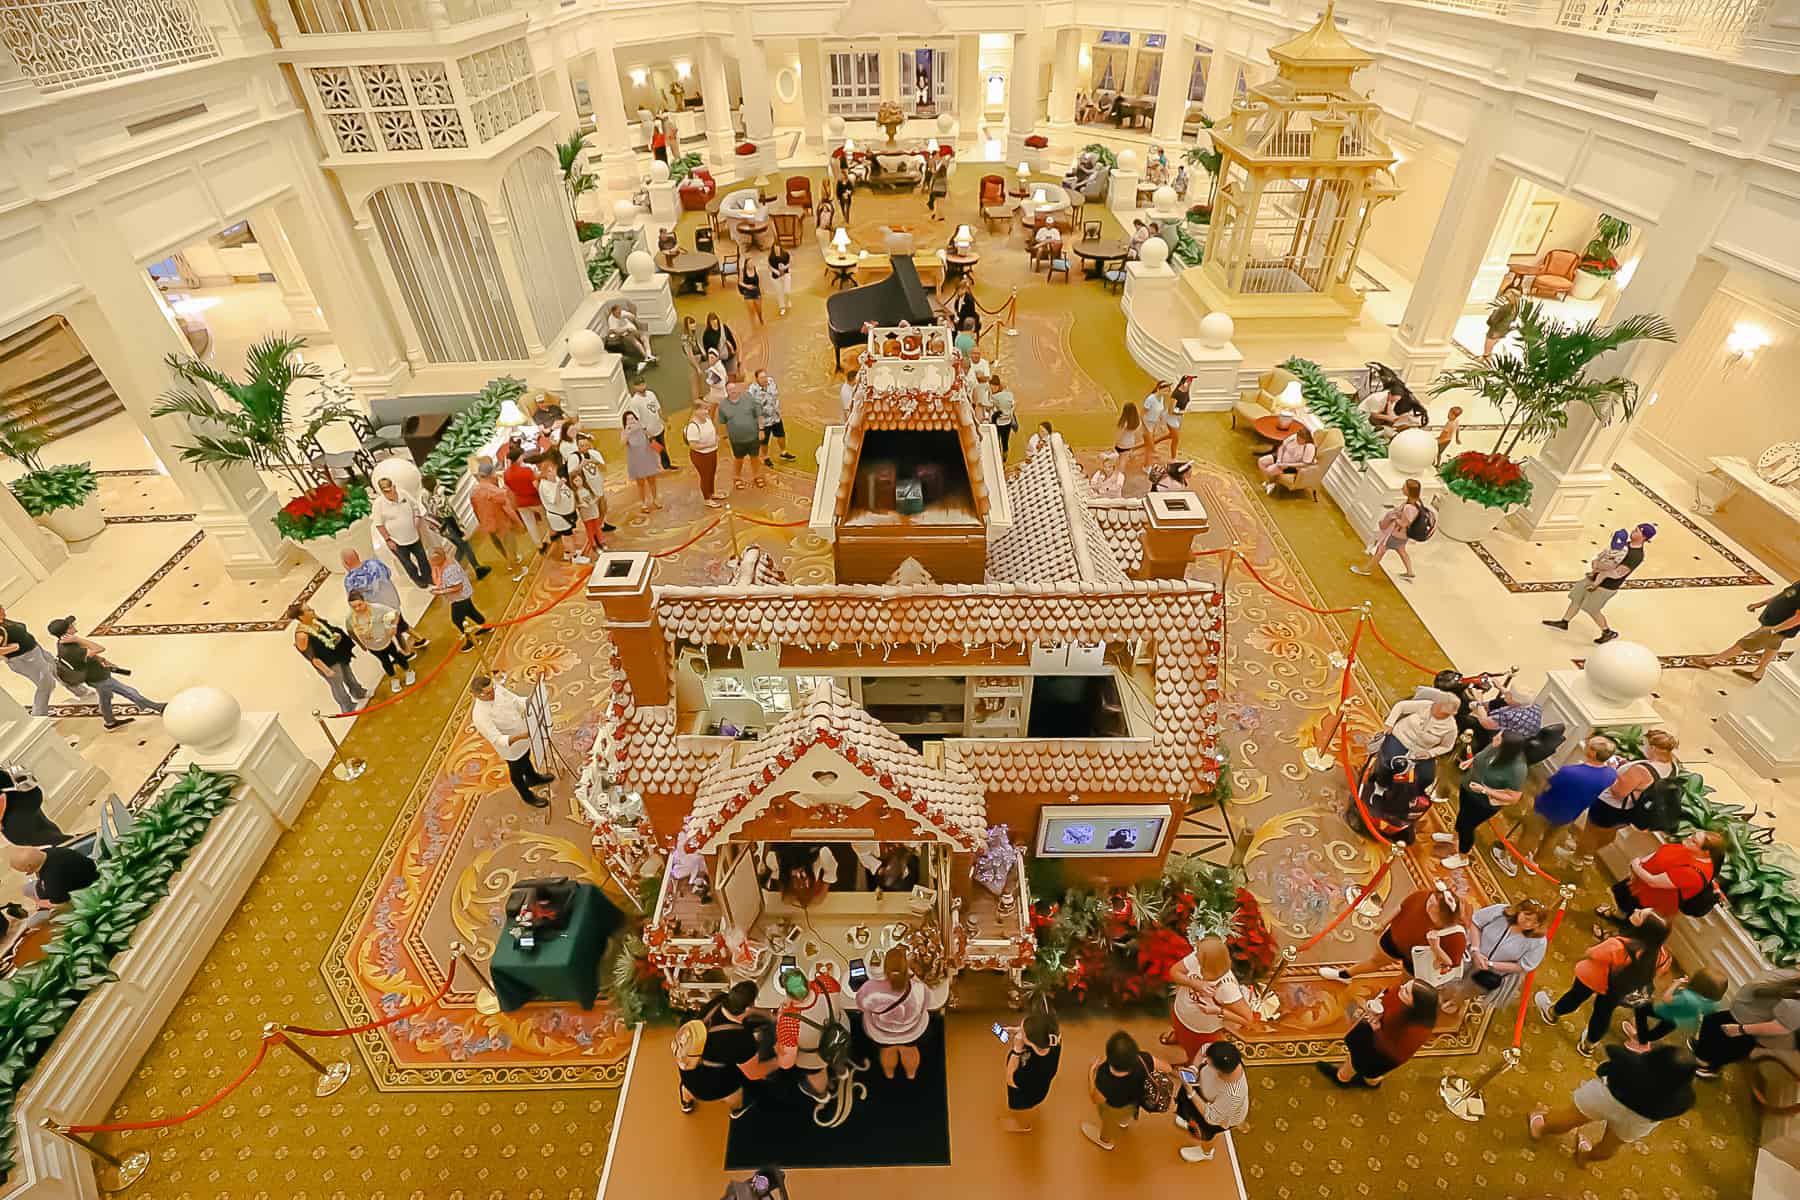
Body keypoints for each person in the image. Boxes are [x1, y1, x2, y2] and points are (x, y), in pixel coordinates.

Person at [1530, 1041, 1697, 1163]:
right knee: (1610, 1147)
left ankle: (1540, 1127)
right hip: (1640, 1121)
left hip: (1606, 1098)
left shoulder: (1632, 1064)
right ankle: (1586, 1156)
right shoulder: (1685, 1099)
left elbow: (1611, 1053)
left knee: (1571, 1118)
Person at [1536, 908, 1670, 1057]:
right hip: (1618, 990)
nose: (1636, 909)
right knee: (1603, 1014)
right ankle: (1588, 1045)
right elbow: (1658, 972)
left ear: (1643, 929)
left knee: (1575, 997)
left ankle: (1552, 1013)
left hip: (1592, 978)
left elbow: (1592, 953)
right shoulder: (1662, 956)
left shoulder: (1617, 945)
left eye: (1640, 914)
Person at [1496, 734, 1617, 878]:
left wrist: (1537, 796)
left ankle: (1512, 862)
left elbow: (1547, 785)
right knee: (1551, 838)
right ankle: (1534, 863)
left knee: (1530, 834)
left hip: (1547, 807)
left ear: (1592, 752)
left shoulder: (1570, 771)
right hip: (1571, 813)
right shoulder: (1611, 774)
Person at [1320, 879, 1470, 984]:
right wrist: (1383, 923)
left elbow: (1451, 963)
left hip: (1417, 962)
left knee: (1406, 985)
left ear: (1443, 913)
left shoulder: (1455, 935)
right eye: (1431, 898)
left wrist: (1435, 947)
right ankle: (1344, 975)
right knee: (1374, 961)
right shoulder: (1424, 896)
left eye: (1433, 904)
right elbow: (1401, 907)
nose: (1428, 901)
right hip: (1394, 939)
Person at [1576, 727, 1681, 872]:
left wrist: (1612, 770)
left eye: (1644, 744)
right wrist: (1626, 766)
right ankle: (1588, 856)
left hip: (1609, 807)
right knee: (1608, 834)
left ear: (1652, 747)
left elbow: (1618, 792)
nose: (1642, 747)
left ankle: (1577, 859)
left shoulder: (1641, 770)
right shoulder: (1672, 766)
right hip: (1629, 812)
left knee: (1591, 833)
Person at [1542, 523, 1656, 645]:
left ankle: (1607, 632)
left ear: (1644, 537)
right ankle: (1564, 622)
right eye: (1635, 529)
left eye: (1637, 531)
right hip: (1594, 576)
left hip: (1605, 586)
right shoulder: (1626, 545)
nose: (1633, 531)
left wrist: (1600, 570)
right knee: (1577, 598)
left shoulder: (1636, 555)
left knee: (1592, 609)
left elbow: (1618, 573)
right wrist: (1597, 562)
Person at [1319, 978, 1439, 1087]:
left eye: (1406, 992)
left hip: (1379, 1051)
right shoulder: (1405, 998)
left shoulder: (1417, 1031)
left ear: (1416, 1005)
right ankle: (1372, 1082)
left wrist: (1377, 1029)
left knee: (1354, 1061)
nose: (1401, 988)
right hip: (1377, 1034)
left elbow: (1394, 1052)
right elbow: (1387, 994)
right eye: (1405, 985)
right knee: (1370, 1072)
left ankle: (1342, 1079)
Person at [47, 616, 163, 729]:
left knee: (105, 698)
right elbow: (99, 648)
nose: (74, 627)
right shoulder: (70, 650)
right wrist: (78, 639)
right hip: (98, 678)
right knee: (130, 692)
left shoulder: (63, 644)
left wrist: (101, 660)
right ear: (66, 632)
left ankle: (110, 722)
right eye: (71, 626)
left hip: (95, 675)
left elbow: (89, 654)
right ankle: (158, 707)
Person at [675, 980, 770, 1118]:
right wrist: (776, 1063)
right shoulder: (741, 1040)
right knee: (735, 1093)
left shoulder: (718, 1001)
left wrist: (766, 1015)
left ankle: (686, 1102)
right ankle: (737, 1110)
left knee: (689, 1087)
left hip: (687, 1069)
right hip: (712, 1086)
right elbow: (754, 1073)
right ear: (748, 1008)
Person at [1598, 828, 1726, 924]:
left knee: (1631, 916)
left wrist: (1636, 866)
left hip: (1651, 897)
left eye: (1694, 841)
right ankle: (1616, 915)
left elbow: (1653, 881)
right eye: (1692, 835)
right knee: (1622, 903)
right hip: (1640, 883)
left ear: (1706, 852)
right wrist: (1641, 864)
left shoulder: (1692, 873)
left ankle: (1614, 930)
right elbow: (1662, 851)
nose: (1688, 837)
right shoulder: (1689, 849)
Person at [1164, 934, 1256, 1064]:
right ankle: (1179, 1036)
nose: (1195, 954)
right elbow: (1174, 972)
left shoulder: (1227, 988)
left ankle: (1189, 1064)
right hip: (1181, 1011)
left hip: (1200, 1030)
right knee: (1179, 1028)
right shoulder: (1198, 957)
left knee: (1195, 1053)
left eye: (1199, 954)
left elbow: (1248, 1019)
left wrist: (1217, 1010)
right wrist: (1196, 984)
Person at [1440, 732, 1527, 870]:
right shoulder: (1494, 746)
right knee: (1462, 815)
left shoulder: (1518, 769)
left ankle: (1463, 857)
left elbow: (1514, 797)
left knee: (1467, 827)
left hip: (1484, 803)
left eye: (1498, 738)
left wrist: (1485, 790)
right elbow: (1481, 756)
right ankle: (1454, 837)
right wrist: (1470, 761)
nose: (1494, 737)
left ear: (1506, 747)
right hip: (1468, 787)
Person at [1690, 970, 1800, 1078]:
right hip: (1747, 1015)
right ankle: (1703, 1050)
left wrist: (1741, 1029)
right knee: (1712, 1024)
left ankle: (1709, 1065)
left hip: (1753, 1028)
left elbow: (1780, 1027)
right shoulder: (1793, 978)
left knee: (1728, 1044)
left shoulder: (1796, 1005)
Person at [1445, 899, 1549, 1014]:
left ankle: (1457, 1000)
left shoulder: (1539, 941)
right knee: (1451, 974)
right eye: (1527, 918)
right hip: (1471, 951)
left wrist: (1490, 964)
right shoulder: (1499, 911)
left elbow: (1523, 966)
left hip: (1492, 971)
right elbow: (1476, 923)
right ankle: (1443, 990)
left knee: (1470, 989)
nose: (1528, 925)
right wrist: (1476, 950)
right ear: (1519, 911)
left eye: (1535, 923)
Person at [469, 674, 550, 807]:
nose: (494, 693)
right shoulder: (479, 715)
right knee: (516, 770)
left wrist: (532, 702)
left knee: (525, 757)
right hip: (511, 747)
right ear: (478, 695)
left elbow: (515, 700)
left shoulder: (496, 689)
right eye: (489, 693)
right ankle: (527, 796)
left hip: (522, 731)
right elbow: (497, 739)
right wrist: (522, 736)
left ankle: (533, 778)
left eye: (493, 689)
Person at [1081, 1029, 1170, 1151]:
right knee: (1127, 1114)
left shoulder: (1104, 1078)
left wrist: (1091, 1075)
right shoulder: (1143, 1059)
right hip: (1134, 1102)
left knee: (1109, 1124)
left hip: (1113, 1109)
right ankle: (1124, 1122)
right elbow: (1168, 1068)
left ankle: (1105, 1141)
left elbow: (1095, 1099)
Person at [1697, 578, 1800, 682]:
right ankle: (1758, 674)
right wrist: (1761, 603)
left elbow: (1798, 618)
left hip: (1778, 627)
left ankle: (1707, 662)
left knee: (1745, 643)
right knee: (1772, 646)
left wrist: (1775, 630)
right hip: (1775, 624)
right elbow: (1786, 595)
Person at [0, 604, 88, 715]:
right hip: (25, 660)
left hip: (36, 650)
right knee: (46, 684)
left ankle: (81, 691)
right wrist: (14, 647)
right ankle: (38, 715)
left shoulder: (3, 620)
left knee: (57, 668)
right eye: (0, 608)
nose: (3, 609)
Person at [775, 969, 846, 1101]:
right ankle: (842, 1072)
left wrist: (781, 1014)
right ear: (807, 982)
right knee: (837, 1056)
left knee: (816, 1073)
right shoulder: (827, 983)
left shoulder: (788, 1022)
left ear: (788, 994)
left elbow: (786, 1063)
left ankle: (822, 1094)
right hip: (838, 1036)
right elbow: (834, 986)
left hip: (816, 1056)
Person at [1173, 1040, 1249, 1163]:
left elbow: (1211, 1118)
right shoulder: (1225, 1055)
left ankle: (1206, 1152)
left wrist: (1191, 1093)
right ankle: (1189, 1120)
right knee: (1189, 1112)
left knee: (1207, 1133)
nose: (1205, 1061)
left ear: (1221, 1070)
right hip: (1200, 1091)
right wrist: (1193, 1069)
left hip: (1219, 1116)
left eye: (1210, 1062)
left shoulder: (1233, 1096)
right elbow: (1204, 1049)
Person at [1371, 687, 1460, 793]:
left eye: (1446, 715)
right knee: (1390, 762)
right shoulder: (1425, 705)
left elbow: (1447, 746)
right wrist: (1389, 724)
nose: (1441, 715)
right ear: (1436, 704)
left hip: (1421, 750)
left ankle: (1406, 795)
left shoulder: (1451, 727)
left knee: (1426, 777)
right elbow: (1401, 706)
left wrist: (1430, 753)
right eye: (1440, 710)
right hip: (1400, 738)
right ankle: (1381, 784)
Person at [862, 946, 931, 1080]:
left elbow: (863, 1006)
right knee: (909, 1049)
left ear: (884, 969)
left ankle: (889, 1073)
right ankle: (911, 1074)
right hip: (912, 1031)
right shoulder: (919, 988)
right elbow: (928, 1005)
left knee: (888, 1049)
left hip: (881, 1033)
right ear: (906, 967)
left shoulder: (871, 988)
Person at [340, 546, 427, 652]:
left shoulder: (350, 580)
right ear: (357, 555)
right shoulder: (374, 564)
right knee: (399, 623)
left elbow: (353, 600)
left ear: (345, 562)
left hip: (378, 610)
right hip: (392, 601)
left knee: (396, 628)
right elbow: (388, 573)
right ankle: (415, 642)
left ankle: (409, 649)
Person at [291, 604, 367, 713]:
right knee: (337, 684)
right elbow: (310, 656)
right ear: (301, 617)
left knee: (348, 674)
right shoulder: (302, 635)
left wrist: (336, 636)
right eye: (309, 610)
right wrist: (326, 670)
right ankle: (347, 707)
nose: (313, 610)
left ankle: (358, 692)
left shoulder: (316, 621)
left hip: (337, 653)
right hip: (327, 662)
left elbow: (329, 631)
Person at [1000, 999, 1061, 1133]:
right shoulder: (1052, 1040)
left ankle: (1022, 1125)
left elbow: (1011, 1080)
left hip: (1026, 1094)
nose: (1019, 1034)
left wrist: (1016, 1050)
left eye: (1023, 1033)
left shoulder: (1035, 1069)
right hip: (1039, 1087)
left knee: (1021, 1108)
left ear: (1032, 1043)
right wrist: (1017, 1030)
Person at [1626, 969, 1726, 1047]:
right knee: (1659, 1031)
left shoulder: (1686, 997)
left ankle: (1641, 1041)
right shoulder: (1712, 1002)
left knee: (1641, 1009)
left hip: (1666, 1012)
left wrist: (1676, 983)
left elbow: (1666, 998)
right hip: (1677, 1020)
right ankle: (1643, 1037)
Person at [420, 471, 490, 582]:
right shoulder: (439, 498)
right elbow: (449, 516)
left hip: (441, 528)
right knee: (465, 546)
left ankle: (456, 572)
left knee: (460, 548)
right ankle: (477, 569)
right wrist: (460, 531)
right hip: (450, 526)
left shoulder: (425, 498)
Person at [1351, 478, 1425, 581]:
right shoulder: (1417, 504)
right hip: (1403, 537)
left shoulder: (1409, 507)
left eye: (1404, 487)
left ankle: (1366, 569)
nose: (1402, 488)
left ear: (1409, 491)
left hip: (1395, 535)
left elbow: (1404, 523)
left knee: (1380, 550)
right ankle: (1410, 572)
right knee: (1402, 551)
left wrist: (1394, 517)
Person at [469, 459, 531, 580]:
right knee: (510, 547)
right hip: (501, 523)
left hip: (487, 524)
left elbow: (475, 511)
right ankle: (517, 572)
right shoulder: (496, 492)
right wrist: (519, 524)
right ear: (492, 474)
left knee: (498, 544)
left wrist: (483, 524)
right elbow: (508, 510)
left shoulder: (474, 492)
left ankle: (510, 563)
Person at [346, 593, 414, 693]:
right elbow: (351, 632)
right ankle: (394, 679)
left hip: (386, 641)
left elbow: (395, 614)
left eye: (359, 605)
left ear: (364, 601)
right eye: (353, 606)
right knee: (385, 661)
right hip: (372, 646)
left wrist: (393, 627)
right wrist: (361, 645)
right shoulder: (350, 618)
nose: (357, 608)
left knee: (397, 655)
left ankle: (409, 671)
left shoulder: (377, 608)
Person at [372, 476, 432, 587]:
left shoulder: (403, 493)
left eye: (391, 490)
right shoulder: (378, 504)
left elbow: (415, 507)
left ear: (394, 486)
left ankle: (428, 577)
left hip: (413, 535)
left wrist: (417, 518)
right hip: (397, 541)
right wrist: (388, 540)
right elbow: (379, 524)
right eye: (386, 492)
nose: (390, 493)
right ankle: (418, 580)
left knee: (422, 558)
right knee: (408, 564)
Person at [428, 546, 488, 653]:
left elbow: (458, 587)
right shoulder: (446, 562)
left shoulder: (449, 570)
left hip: (459, 598)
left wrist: (440, 592)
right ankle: (484, 626)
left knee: (457, 620)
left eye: (432, 561)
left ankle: (472, 641)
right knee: (470, 611)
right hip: (463, 595)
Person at [9, 844, 97, 907]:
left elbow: (62, 904)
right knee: (27, 889)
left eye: (20, 869)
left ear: (28, 867)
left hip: (85, 891)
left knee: (33, 920)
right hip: (88, 872)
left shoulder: (52, 880)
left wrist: (41, 903)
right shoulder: (47, 852)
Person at [0, 767, 69, 847]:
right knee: (52, 835)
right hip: (22, 802)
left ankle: (77, 846)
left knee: (52, 837)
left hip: (17, 810)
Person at [534, 459, 587, 563]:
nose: (553, 472)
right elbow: (555, 501)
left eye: (553, 470)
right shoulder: (544, 486)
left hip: (567, 512)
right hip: (559, 516)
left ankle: (568, 553)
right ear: (544, 473)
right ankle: (574, 557)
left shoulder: (555, 478)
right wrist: (558, 487)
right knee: (567, 536)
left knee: (569, 534)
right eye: (549, 471)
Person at [716, 381, 765, 490]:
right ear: (727, 392)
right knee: (738, 459)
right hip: (736, 440)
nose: (733, 391)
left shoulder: (748, 398)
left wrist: (761, 429)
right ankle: (737, 478)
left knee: (755, 458)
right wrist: (724, 437)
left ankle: (757, 476)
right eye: (730, 390)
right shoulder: (723, 405)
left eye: (734, 389)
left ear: (738, 389)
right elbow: (722, 423)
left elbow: (759, 414)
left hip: (753, 437)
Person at [502, 444, 551, 548]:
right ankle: (550, 536)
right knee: (546, 517)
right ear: (519, 457)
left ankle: (538, 544)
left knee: (530, 523)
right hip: (534, 500)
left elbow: (509, 488)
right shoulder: (527, 471)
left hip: (520, 502)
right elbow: (535, 485)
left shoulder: (506, 474)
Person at [623, 377, 672, 471]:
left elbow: (658, 408)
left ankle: (666, 465)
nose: (642, 386)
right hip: (648, 433)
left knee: (662, 447)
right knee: (655, 450)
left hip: (658, 427)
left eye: (643, 384)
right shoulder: (634, 402)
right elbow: (636, 420)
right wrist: (646, 433)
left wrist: (665, 420)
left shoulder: (651, 394)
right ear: (635, 387)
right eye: (639, 385)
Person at [683, 398, 724, 508]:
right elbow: (693, 445)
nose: (706, 411)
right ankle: (707, 498)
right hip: (701, 455)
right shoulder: (693, 426)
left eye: (707, 409)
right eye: (703, 409)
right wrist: (709, 445)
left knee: (712, 474)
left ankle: (712, 493)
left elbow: (712, 431)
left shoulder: (708, 419)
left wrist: (716, 438)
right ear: (696, 411)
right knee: (705, 476)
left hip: (712, 452)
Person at [621, 410, 663, 513]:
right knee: (640, 484)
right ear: (625, 422)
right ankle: (643, 503)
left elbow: (651, 437)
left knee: (652, 481)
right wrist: (627, 431)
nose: (631, 421)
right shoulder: (625, 432)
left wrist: (645, 429)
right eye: (628, 419)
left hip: (647, 457)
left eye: (633, 418)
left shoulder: (642, 428)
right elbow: (622, 443)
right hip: (636, 460)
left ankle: (655, 500)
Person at [748, 369, 791, 466]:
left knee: (781, 435)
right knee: (764, 441)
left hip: (775, 416)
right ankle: (765, 457)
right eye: (762, 377)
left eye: (765, 377)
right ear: (756, 379)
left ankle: (783, 452)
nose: (765, 379)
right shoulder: (752, 390)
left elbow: (775, 395)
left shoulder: (771, 382)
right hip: (763, 420)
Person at [1257, 426, 1316, 494]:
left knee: (1270, 470)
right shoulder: (1294, 437)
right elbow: (1282, 447)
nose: (1298, 441)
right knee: (1261, 461)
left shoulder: (1310, 447)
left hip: (1292, 466)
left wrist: (1287, 464)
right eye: (1298, 438)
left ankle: (1271, 483)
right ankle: (1270, 481)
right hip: (1282, 458)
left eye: (1300, 440)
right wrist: (1279, 459)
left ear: (1306, 439)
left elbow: (1305, 463)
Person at [604, 304, 655, 374]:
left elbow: (633, 316)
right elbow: (615, 332)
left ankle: (649, 355)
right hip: (626, 334)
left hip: (634, 331)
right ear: (613, 313)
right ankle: (646, 356)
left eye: (620, 311)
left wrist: (631, 316)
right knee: (636, 343)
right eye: (618, 313)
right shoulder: (611, 320)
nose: (620, 313)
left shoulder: (622, 313)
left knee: (644, 337)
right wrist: (626, 329)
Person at [1142, 383, 1175, 462]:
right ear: (1158, 389)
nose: (1166, 393)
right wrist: (1145, 427)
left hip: (1154, 423)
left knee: (1149, 444)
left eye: (1167, 391)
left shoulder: (1161, 398)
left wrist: (1161, 423)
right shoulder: (1150, 399)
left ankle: (1136, 453)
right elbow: (1142, 414)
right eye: (1165, 391)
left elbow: (1159, 411)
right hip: (1147, 422)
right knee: (1151, 446)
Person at [701, 312, 739, 379]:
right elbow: (707, 348)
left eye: (715, 322)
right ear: (709, 323)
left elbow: (731, 338)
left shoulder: (724, 328)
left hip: (729, 355)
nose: (714, 324)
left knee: (731, 374)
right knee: (721, 376)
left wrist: (734, 348)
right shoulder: (707, 334)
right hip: (718, 360)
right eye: (712, 323)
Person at [988, 375, 1017, 456]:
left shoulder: (993, 397)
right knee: (1004, 443)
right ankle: (1003, 461)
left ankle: (1001, 460)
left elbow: (989, 406)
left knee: (997, 442)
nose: (993, 387)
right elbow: (1013, 405)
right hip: (1007, 422)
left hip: (997, 423)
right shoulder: (1009, 394)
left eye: (995, 386)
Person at [1114, 402, 1147, 471]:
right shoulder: (1138, 422)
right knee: (1123, 459)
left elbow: (1119, 435)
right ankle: (1121, 473)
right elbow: (1137, 433)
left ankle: (1119, 474)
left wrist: (1115, 443)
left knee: (1120, 460)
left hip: (1121, 444)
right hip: (1130, 444)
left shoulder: (1124, 422)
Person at [737, 253, 764, 327]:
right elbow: (740, 282)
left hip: (756, 291)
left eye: (752, 263)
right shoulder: (743, 271)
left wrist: (761, 289)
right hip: (748, 292)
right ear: (746, 264)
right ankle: (753, 322)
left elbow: (760, 279)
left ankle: (760, 317)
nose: (751, 264)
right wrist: (747, 286)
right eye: (749, 263)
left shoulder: (756, 269)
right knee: (751, 309)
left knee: (759, 308)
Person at [766, 244, 792, 316]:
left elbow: (790, 262)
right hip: (776, 277)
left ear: (780, 248)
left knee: (787, 291)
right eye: (775, 249)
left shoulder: (785, 254)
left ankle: (788, 299)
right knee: (779, 292)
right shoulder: (771, 257)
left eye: (777, 249)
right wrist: (775, 271)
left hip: (786, 274)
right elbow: (769, 266)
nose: (776, 251)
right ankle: (782, 307)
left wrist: (785, 267)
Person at [925, 153, 949, 218]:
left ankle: (934, 213)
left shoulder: (935, 175)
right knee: (940, 204)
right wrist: (947, 193)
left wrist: (930, 190)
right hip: (942, 192)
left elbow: (932, 182)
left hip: (935, 190)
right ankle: (940, 216)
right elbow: (946, 185)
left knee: (937, 203)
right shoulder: (944, 177)